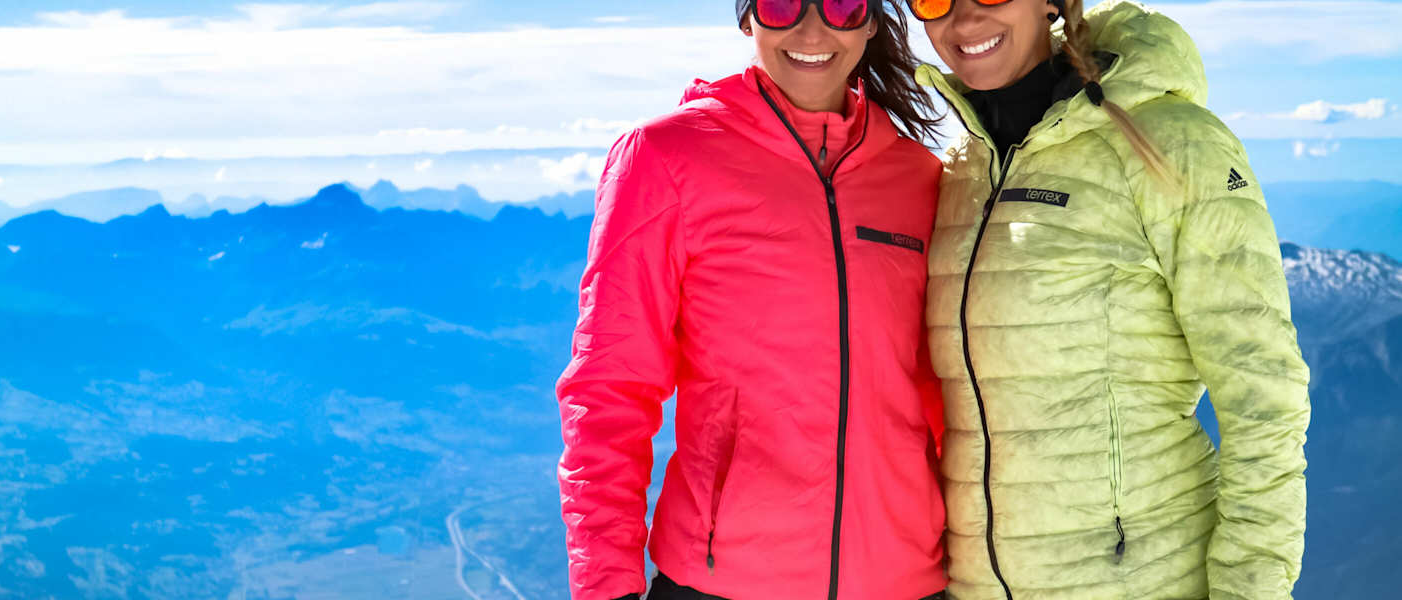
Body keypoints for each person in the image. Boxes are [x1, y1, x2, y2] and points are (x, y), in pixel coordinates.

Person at [907, 0, 1311, 597]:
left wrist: (1251, 587)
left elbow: (1263, 393)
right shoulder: (962, 171)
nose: (963, 18)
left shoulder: (1170, 141)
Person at [555, 1, 952, 599]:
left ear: (870, 22)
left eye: (842, 6)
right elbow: (610, 384)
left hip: (908, 580)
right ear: (748, 18)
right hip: (724, 581)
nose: (812, 30)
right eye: (782, 4)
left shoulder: (917, 176)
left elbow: (947, 389)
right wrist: (605, 585)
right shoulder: (667, 157)